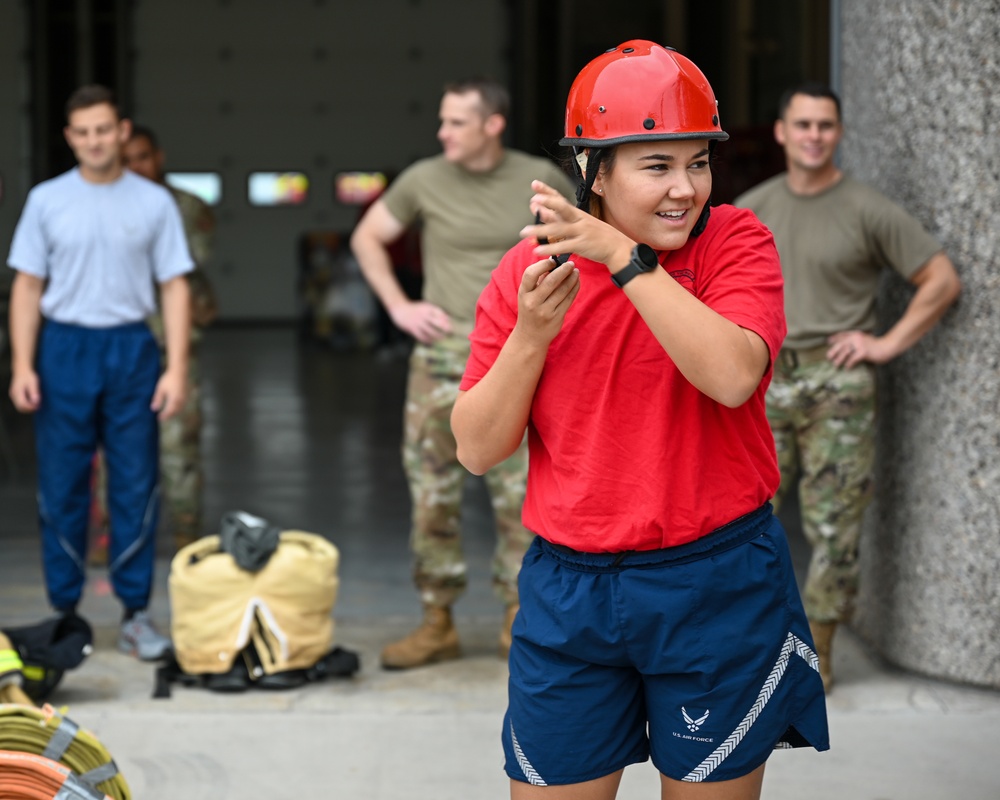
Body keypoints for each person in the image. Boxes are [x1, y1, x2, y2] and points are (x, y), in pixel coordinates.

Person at [451, 41, 829, 799]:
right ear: (594, 171)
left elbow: (730, 376)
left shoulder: (734, 242)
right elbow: (477, 448)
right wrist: (529, 335)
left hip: (714, 580)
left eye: (698, 162)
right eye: (657, 166)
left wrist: (623, 257)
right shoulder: (528, 273)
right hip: (570, 590)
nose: (685, 189)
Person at [734, 82, 961, 691]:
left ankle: (821, 648)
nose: (813, 136)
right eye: (802, 124)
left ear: (838, 133)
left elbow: (940, 278)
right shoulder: (750, 208)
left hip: (838, 385)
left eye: (825, 126)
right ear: (781, 132)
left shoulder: (867, 208)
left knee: (835, 523)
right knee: (744, 517)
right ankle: (748, 643)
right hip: (765, 378)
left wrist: (884, 344)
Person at [350, 77, 576, 670]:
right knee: (432, 494)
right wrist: (399, 307)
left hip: (519, 357)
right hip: (442, 355)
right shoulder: (424, 179)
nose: (442, 132)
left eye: (455, 122)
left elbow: (586, 244)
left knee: (520, 493)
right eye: (443, 121)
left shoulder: (538, 178)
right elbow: (368, 237)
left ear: (492, 125)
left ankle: (518, 618)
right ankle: (437, 621)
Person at [6, 85, 193, 661]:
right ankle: (65, 613)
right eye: (82, 132)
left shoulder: (153, 202)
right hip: (64, 348)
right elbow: (28, 286)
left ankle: (136, 613)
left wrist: (176, 368)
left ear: (122, 131)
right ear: (70, 137)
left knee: (135, 483)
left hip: (131, 349)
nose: (93, 141)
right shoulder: (46, 201)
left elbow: (174, 285)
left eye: (103, 130)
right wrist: (21, 364)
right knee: (63, 485)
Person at [122, 124, 218, 549]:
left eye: (142, 158)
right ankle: (117, 532)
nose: (136, 168)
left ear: (158, 157)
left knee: (180, 447)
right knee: (117, 447)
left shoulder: (187, 206)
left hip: (176, 343)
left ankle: (185, 536)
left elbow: (187, 263)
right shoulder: (108, 205)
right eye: (127, 161)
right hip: (124, 340)